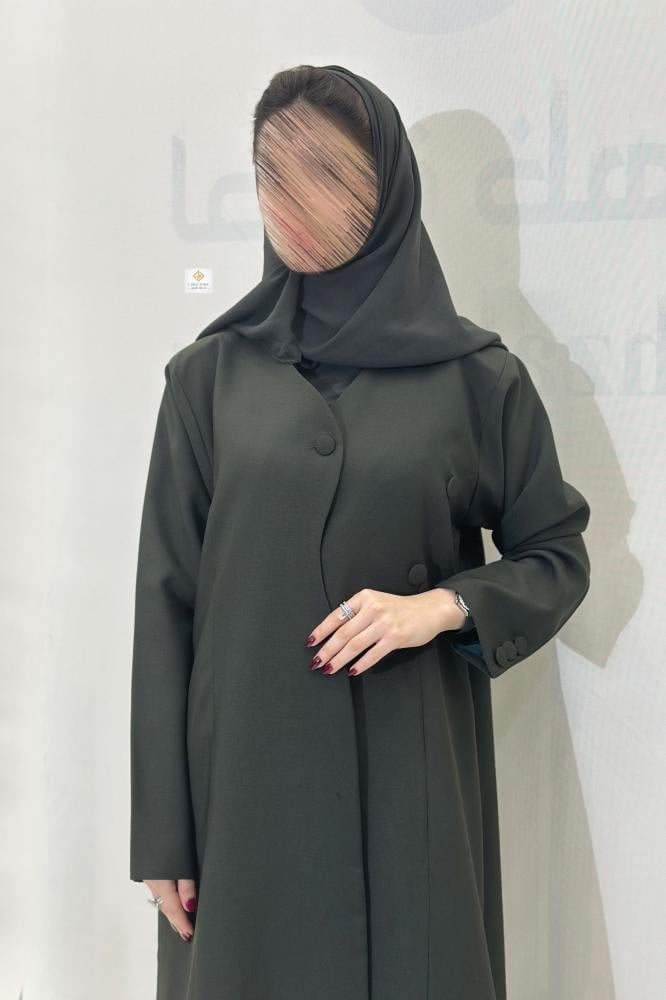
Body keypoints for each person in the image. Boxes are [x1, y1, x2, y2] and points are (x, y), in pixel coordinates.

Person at [129, 64, 591, 1000]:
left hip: (408, 787)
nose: (291, 202)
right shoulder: (206, 380)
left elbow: (557, 555)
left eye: (328, 174)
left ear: (388, 190)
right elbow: (165, 607)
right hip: (243, 801)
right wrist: (163, 838)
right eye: (272, 174)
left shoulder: (477, 379)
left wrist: (444, 605)